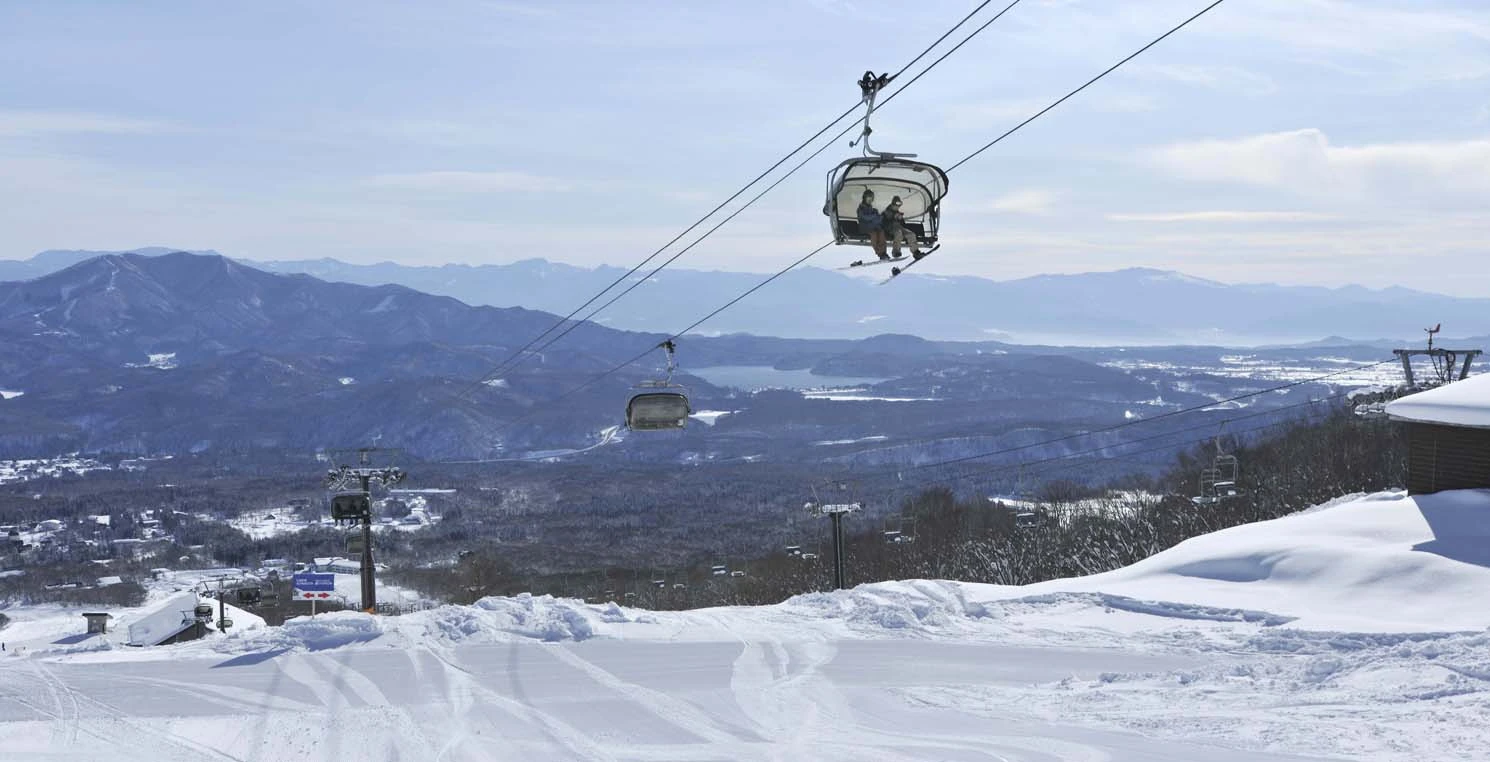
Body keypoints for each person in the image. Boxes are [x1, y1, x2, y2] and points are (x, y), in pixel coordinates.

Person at [855, 189, 889, 260]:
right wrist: (875, 217)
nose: (870, 199)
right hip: (865, 227)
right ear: (865, 198)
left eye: (871, 197)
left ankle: (884, 252)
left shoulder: (873, 210)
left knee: (881, 232)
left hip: (873, 227)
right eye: (868, 197)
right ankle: (880, 253)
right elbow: (865, 218)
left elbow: (878, 219)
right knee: (874, 234)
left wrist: (877, 218)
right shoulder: (861, 209)